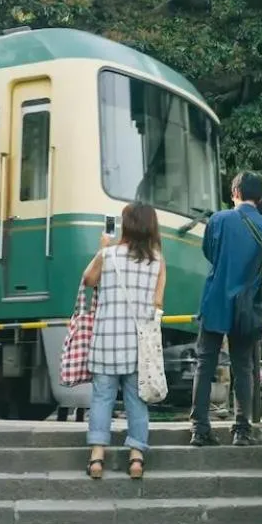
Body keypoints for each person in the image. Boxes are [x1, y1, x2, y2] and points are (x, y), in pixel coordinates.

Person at [191, 171, 262, 447]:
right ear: (261, 197)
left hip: (216, 299)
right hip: (247, 303)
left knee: (205, 363)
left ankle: (200, 429)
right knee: (243, 366)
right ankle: (241, 429)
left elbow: (209, 252)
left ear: (234, 193)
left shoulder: (217, 220)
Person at [82, 203, 166, 479]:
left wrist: (102, 248)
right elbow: (157, 304)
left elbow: (88, 280)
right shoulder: (157, 261)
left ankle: (96, 458)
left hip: (106, 341)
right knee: (137, 401)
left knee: (102, 398)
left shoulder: (108, 255)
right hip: (138, 347)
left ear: (126, 226)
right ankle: (136, 457)